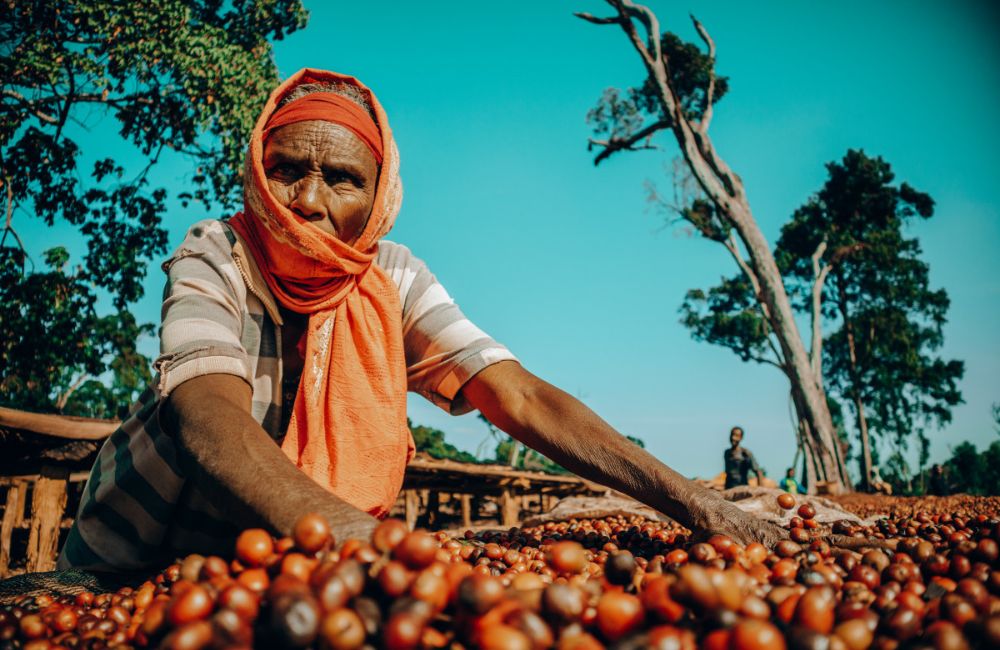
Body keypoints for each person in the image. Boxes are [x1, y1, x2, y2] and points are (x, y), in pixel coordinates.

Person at [58, 68, 783, 571]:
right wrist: (344, 529)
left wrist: (695, 503)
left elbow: (520, 397)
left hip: (287, 560)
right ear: (257, 171)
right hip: (144, 552)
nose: (308, 200)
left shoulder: (391, 277)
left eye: (341, 178)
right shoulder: (217, 251)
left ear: (378, 197)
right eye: (287, 169)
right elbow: (206, 415)